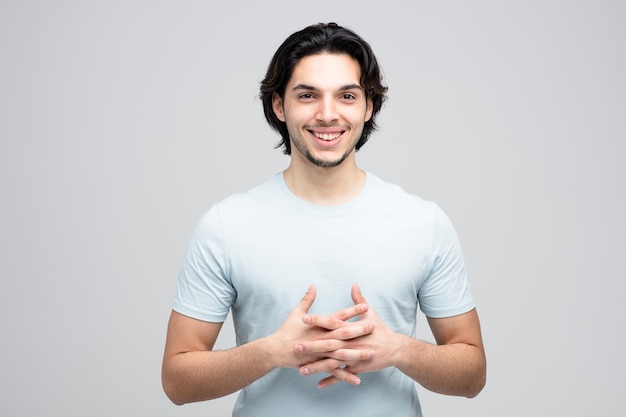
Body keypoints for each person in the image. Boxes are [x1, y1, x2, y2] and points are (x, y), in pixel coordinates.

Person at [162, 22, 486, 416]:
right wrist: (272, 352)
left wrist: (400, 349)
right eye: (307, 95)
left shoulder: (423, 223)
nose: (327, 114)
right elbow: (177, 381)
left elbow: (472, 375)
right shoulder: (226, 226)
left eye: (346, 96)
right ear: (279, 105)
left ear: (368, 106)